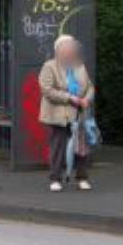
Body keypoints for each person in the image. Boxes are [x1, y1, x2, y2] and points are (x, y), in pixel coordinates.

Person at [38, 35, 95, 191]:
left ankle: (82, 178)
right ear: (59, 51)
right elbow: (47, 90)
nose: (72, 52)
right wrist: (70, 98)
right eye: (68, 49)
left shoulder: (79, 65)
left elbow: (90, 86)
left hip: (79, 112)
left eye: (73, 49)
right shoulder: (49, 66)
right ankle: (55, 179)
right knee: (58, 146)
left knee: (81, 146)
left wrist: (87, 99)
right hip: (58, 114)